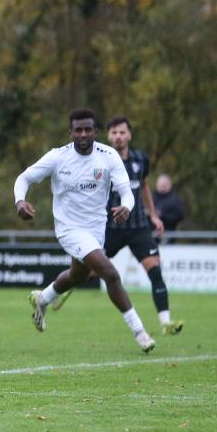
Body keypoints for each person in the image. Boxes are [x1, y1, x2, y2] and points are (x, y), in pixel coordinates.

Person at [13, 108, 155, 353]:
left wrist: (126, 207)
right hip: (69, 229)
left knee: (77, 276)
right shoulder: (57, 157)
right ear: (70, 133)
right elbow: (23, 179)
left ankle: (42, 298)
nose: (83, 134)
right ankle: (140, 331)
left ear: (95, 131)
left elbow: (127, 193)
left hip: (96, 230)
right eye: (78, 130)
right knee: (110, 273)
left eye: (88, 129)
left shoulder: (108, 156)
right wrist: (19, 201)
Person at [53, 117, 184, 335]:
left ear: (129, 135)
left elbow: (144, 187)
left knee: (155, 271)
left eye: (122, 132)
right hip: (109, 229)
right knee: (90, 272)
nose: (118, 136)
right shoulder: (103, 160)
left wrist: (153, 215)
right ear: (108, 135)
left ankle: (165, 323)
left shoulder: (141, 159)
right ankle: (65, 286)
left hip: (139, 228)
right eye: (114, 133)